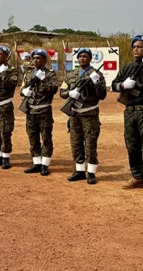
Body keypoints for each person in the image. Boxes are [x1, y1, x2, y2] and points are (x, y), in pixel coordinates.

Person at [111, 35, 143, 193]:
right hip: (130, 112)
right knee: (132, 145)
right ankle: (136, 175)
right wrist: (122, 85)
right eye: (134, 46)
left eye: (140, 46)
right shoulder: (128, 67)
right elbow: (113, 84)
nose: (136, 49)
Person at [59, 48, 107, 185]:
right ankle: (79, 171)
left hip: (89, 114)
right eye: (80, 56)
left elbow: (102, 95)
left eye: (85, 56)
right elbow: (61, 91)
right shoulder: (71, 74)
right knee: (76, 143)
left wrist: (97, 82)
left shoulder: (96, 74)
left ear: (90, 58)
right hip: (74, 115)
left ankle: (91, 172)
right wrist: (69, 93)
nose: (82, 58)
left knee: (90, 144)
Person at [21, 49, 58, 176]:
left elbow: (53, 89)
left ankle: (45, 164)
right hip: (31, 110)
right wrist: (24, 91)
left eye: (38, 58)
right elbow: (22, 89)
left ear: (44, 60)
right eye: (34, 58)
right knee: (33, 137)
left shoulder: (50, 74)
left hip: (44, 110)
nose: (35, 60)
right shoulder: (29, 74)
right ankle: (36, 162)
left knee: (46, 138)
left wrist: (43, 80)